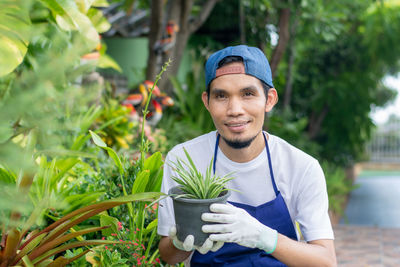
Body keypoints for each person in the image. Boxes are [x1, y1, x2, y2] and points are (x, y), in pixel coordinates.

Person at [157, 45, 337, 266]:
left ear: (269, 99)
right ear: (207, 102)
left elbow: (326, 261)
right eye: (221, 96)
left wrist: (263, 237)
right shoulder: (184, 159)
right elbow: (168, 256)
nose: (235, 109)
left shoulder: (301, 167)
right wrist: (180, 242)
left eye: (248, 94)